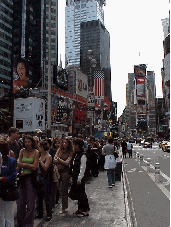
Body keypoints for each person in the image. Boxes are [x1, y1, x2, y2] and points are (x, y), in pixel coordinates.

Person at [17, 135, 39, 227]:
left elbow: (34, 166)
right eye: (25, 142)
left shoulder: (36, 152)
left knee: (30, 202)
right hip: (22, 178)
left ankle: (28, 224)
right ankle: (20, 222)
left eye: (28, 142)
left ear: (32, 142)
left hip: (31, 178)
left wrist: (23, 164)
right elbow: (18, 164)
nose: (27, 144)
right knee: (20, 202)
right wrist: (27, 165)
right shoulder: (22, 151)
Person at [0, 134, 17, 227]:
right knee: (0, 215)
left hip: (7, 189)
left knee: (9, 214)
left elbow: (13, 176)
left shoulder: (11, 161)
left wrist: (3, 178)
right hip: (0, 189)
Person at [70, 138, 90, 217]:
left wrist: (79, 178)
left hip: (79, 177)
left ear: (78, 146)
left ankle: (85, 209)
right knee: (78, 193)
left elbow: (83, 167)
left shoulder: (83, 155)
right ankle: (80, 209)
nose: (74, 146)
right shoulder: (76, 154)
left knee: (82, 193)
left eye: (74, 145)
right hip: (75, 175)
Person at [53, 137, 73, 214]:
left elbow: (67, 163)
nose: (64, 144)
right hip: (58, 171)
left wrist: (59, 160)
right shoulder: (59, 150)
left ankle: (64, 207)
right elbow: (54, 160)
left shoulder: (70, 151)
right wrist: (60, 161)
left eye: (66, 143)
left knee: (64, 189)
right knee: (56, 187)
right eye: (63, 142)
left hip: (65, 172)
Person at [36, 141, 52, 221]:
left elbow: (46, 167)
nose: (38, 148)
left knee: (46, 196)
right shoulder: (38, 155)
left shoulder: (48, 156)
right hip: (38, 177)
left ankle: (49, 213)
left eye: (40, 147)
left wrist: (40, 161)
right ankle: (40, 212)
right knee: (39, 197)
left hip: (46, 178)